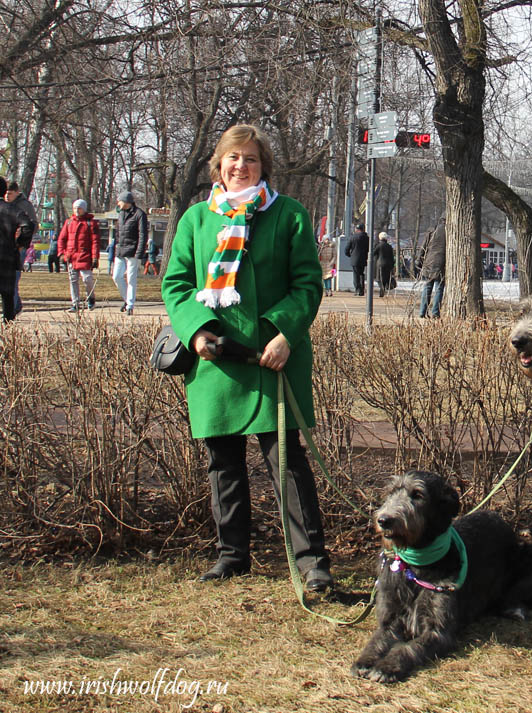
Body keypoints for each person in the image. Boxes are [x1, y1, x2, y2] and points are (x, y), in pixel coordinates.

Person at [161, 124, 332, 590]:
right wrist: (197, 333)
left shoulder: (289, 215)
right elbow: (175, 285)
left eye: (251, 159)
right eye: (233, 158)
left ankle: (312, 563)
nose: (241, 166)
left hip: (274, 360)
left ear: (264, 167)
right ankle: (232, 555)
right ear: (219, 164)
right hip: (216, 361)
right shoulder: (196, 219)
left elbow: (307, 284)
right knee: (224, 462)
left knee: (288, 464)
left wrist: (283, 334)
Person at [0, 177, 35, 321]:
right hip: (7, 255)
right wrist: (20, 244)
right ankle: (8, 327)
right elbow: (29, 225)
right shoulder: (11, 209)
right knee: (7, 294)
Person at [58, 199, 100, 312]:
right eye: (75, 208)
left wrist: (95, 257)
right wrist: (62, 253)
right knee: (73, 280)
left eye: (79, 208)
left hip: (85, 256)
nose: (77, 210)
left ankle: (91, 298)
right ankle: (75, 303)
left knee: (87, 279)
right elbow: (61, 239)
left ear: (84, 209)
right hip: (71, 256)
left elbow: (95, 242)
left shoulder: (91, 224)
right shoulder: (69, 222)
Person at [111, 190, 149, 315]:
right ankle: (127, 300)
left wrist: (139, 253)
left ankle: (130, 305)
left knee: (131, 279)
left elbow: (143, 235)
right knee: (116, 276)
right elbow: (118, 232)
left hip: (133, 251)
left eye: (119, 201)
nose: (118, 203)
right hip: (121, 250)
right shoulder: (121, 214)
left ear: (126, 202)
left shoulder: (139, 214)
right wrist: (116, 246)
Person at [418, 216, 445, 319]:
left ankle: (422, 311)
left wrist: (419, 259)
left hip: (429, 261)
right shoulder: (449, 231)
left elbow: (424, 246)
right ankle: (435, 313)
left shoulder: (432, 229)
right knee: (439, 288)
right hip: (441, 262)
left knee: (427, 286)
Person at [345, 222, 369, 295]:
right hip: (363, 259)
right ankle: (362, 290)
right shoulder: (367, 238)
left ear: (357, 229)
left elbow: (346, 249)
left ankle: (358, 289)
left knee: (356, 275)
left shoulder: (353, 237)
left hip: (354, 259)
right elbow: (369, 249)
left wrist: (350, 255)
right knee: (361, 273)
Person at [374, 231, 395, 298]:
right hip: (388, 265)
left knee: (379, 279)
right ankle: (383, 290)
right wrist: (392, 266)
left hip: (380, 264)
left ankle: (382, 290)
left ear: (380, 238)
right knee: (386, 278)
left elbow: (373, 253)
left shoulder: (379, 245)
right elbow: (392, 257)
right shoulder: (389, 246)